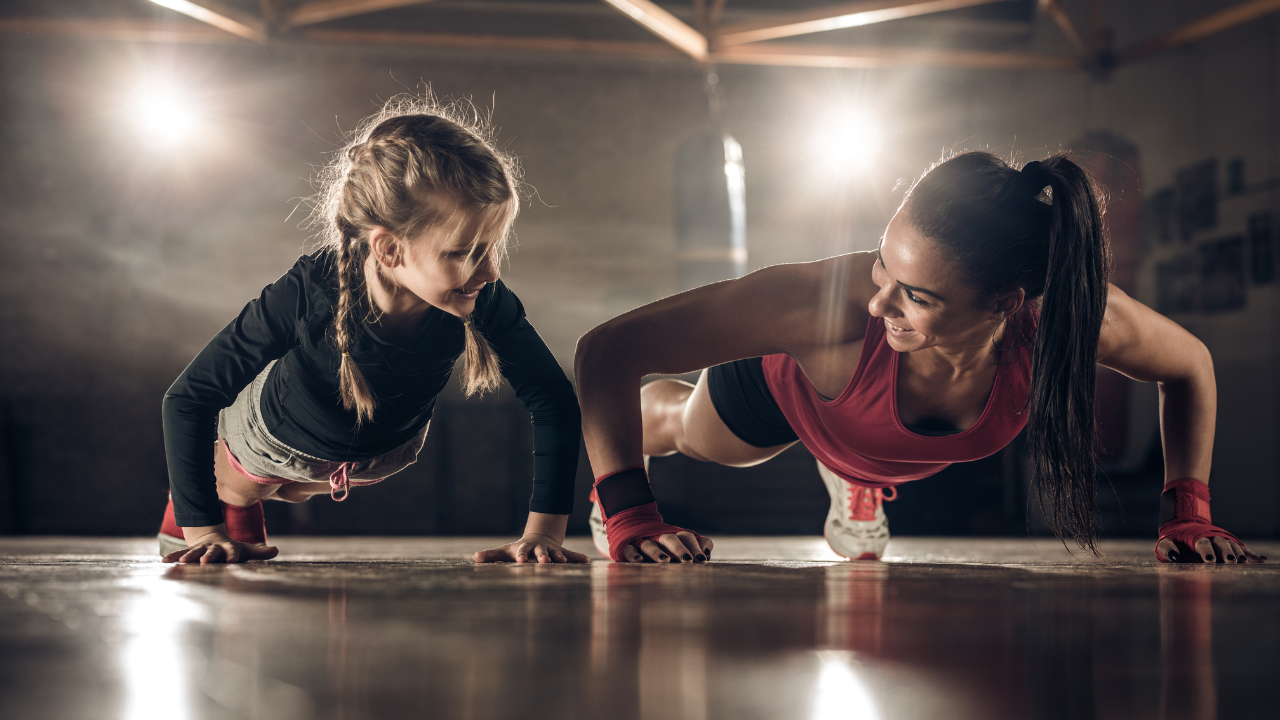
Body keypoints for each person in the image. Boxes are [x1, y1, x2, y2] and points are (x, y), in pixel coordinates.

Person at [574, 151, 1263, 565]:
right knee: (692, 434)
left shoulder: (1069, 321)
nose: (879, 304)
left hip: (867, 429)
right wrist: (629, 508)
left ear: (1004, 302)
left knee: (862, 441)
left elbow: (1189, 366)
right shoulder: (826, 305)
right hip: (784, 388)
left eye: (917, 295)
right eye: (882, 265)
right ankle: (705, 434)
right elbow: (607, 350)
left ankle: (854, 476)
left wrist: (1188, 512)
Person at [159, 97, 587, 565]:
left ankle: (284, 486)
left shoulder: (477, 295)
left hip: (386, 453)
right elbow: (188, 398)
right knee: (258, 480)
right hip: (271, 438)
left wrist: (544, 533)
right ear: (388, 250)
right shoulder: (309, 291)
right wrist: (203, 530)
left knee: (297, 488)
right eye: (464, 251)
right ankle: (231, 494)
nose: (491, 271)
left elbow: (554, 398)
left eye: (492, 247)